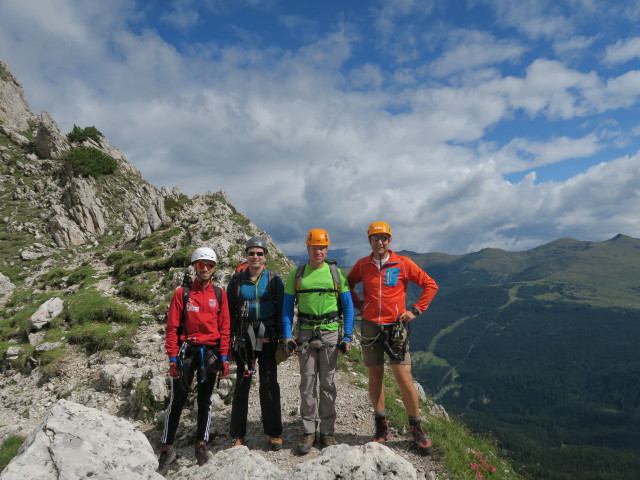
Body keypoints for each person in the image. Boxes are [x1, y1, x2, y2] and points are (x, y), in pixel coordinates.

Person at [347, 221, 438, 455]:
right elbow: (347, 284)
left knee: (402, 376)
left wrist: (416, 310)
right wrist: (359, 304)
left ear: (390, 240)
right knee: (375, 374)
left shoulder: (403, 263)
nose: (380, 242)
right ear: (370, 241)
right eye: (375, 238)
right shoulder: (363, 265)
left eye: (384, 238)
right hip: (370, 325)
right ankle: (380, 425)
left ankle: (416, 427)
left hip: (396, 326)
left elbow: (430, 285)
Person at [157, 247, 231, 474]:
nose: (205, 269)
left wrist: (225, 357)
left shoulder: (219, 294)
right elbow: (172, 327)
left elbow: (225, 327)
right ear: (194, 267)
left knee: (205, 401)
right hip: (186, 353)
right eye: (201, 265)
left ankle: (201, 445)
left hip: (210, 354)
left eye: (209, 265)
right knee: (176, 402)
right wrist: (172, 358)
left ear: (214, 269)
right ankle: (167, 449)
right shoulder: (182, 293)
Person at [282, 228, 354, 455]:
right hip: (304, 332)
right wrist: (287, 335)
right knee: (307, 383)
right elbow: (286, 309)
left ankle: (327, 432)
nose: (318, 252)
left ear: (327, 249)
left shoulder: (336, 274)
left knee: (328, 383)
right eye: (315, 248)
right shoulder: (297, 274)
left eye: (322, 248)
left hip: (331, 332)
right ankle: (309, 431)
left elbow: (348, 307)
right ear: (308, 249)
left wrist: (348, 336)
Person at [227, 237, 285, 451]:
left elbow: (281, 311)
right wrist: (229, 341)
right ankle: (238, 434)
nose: (255, 257)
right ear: (246, 255)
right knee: (242, 386)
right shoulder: (236, 281)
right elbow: (229, 312)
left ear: (265, 257)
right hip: (244, 339)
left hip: (268, 338)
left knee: (269, 384)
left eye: (259, 253)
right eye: (252, 253)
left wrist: (282, 338)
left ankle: (274, 433)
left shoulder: (274, 280)